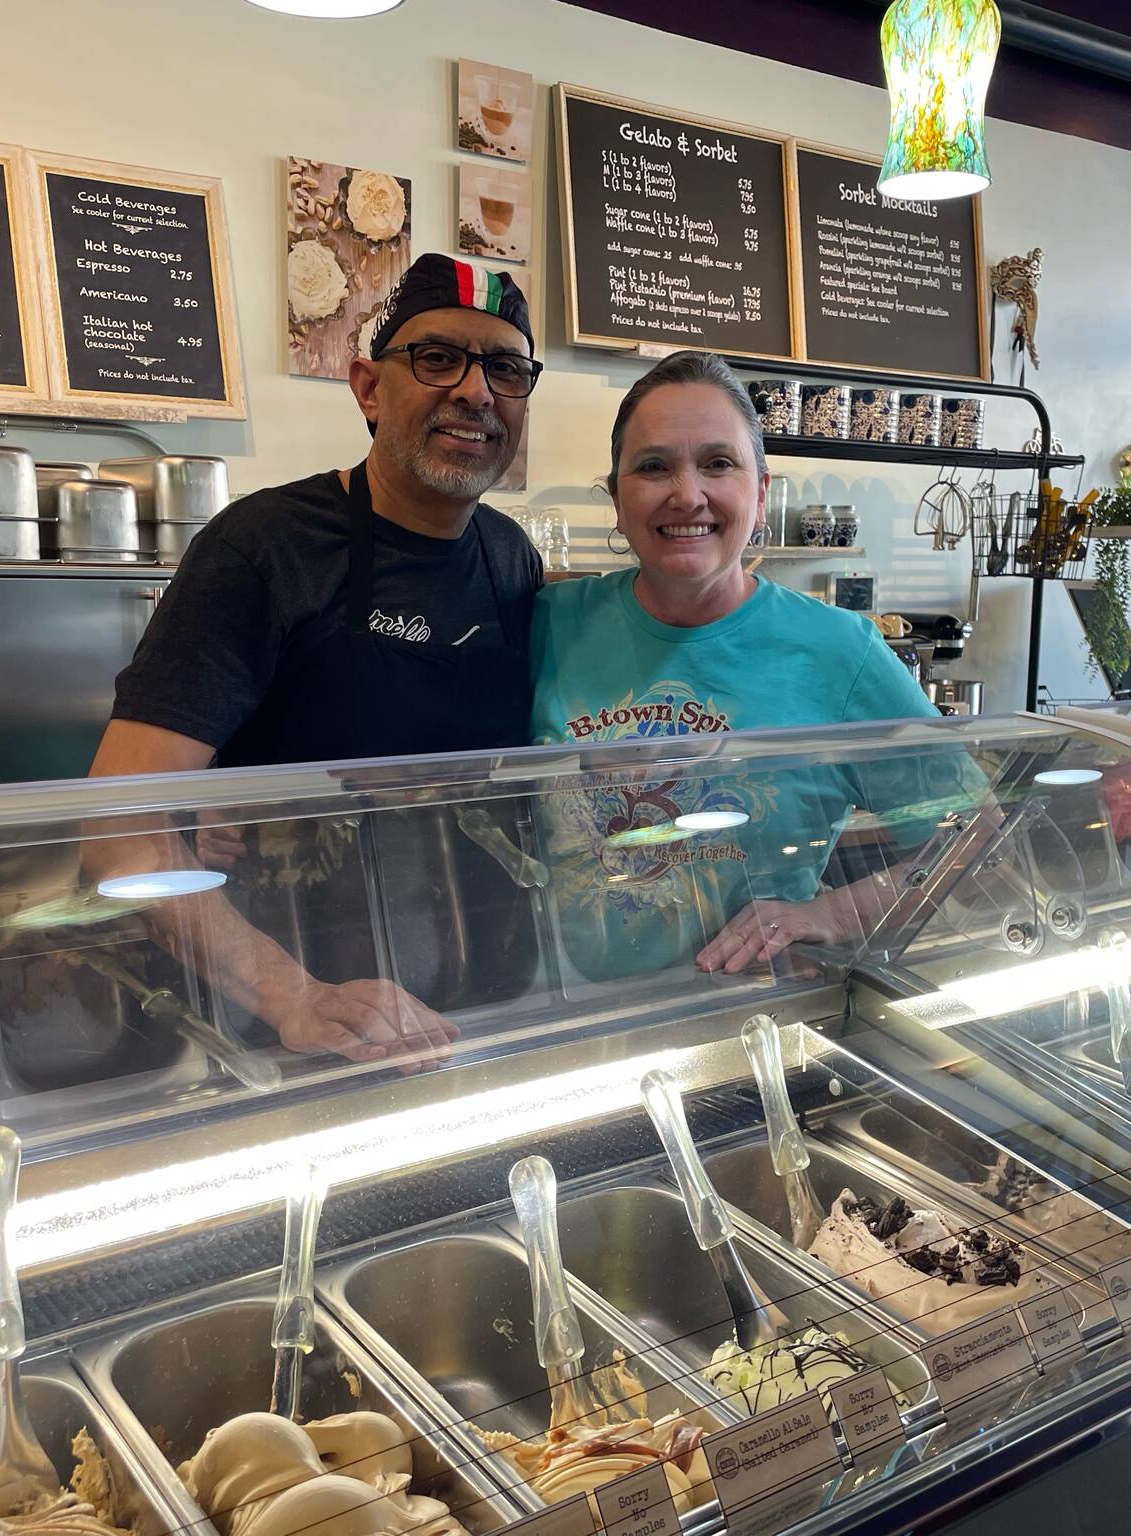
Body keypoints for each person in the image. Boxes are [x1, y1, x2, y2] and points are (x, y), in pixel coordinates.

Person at [85, 254, 546, 1071]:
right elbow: (121, 830)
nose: (476, 391)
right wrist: (291, 995)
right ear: (369, 387)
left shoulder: (511, 558)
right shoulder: (262, 548)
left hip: (477, 997)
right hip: (293, 1020)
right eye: (438, 358)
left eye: (505, 369)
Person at [528, 350, 979, 981]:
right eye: (654, 466)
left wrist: (831, 916)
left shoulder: (839, 650)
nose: (687, 495)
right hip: (558, 1022)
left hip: (751, 1019)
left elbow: (975, 834)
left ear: (760, 493)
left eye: (718, 464)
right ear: (617, 499)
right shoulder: (548, 623)